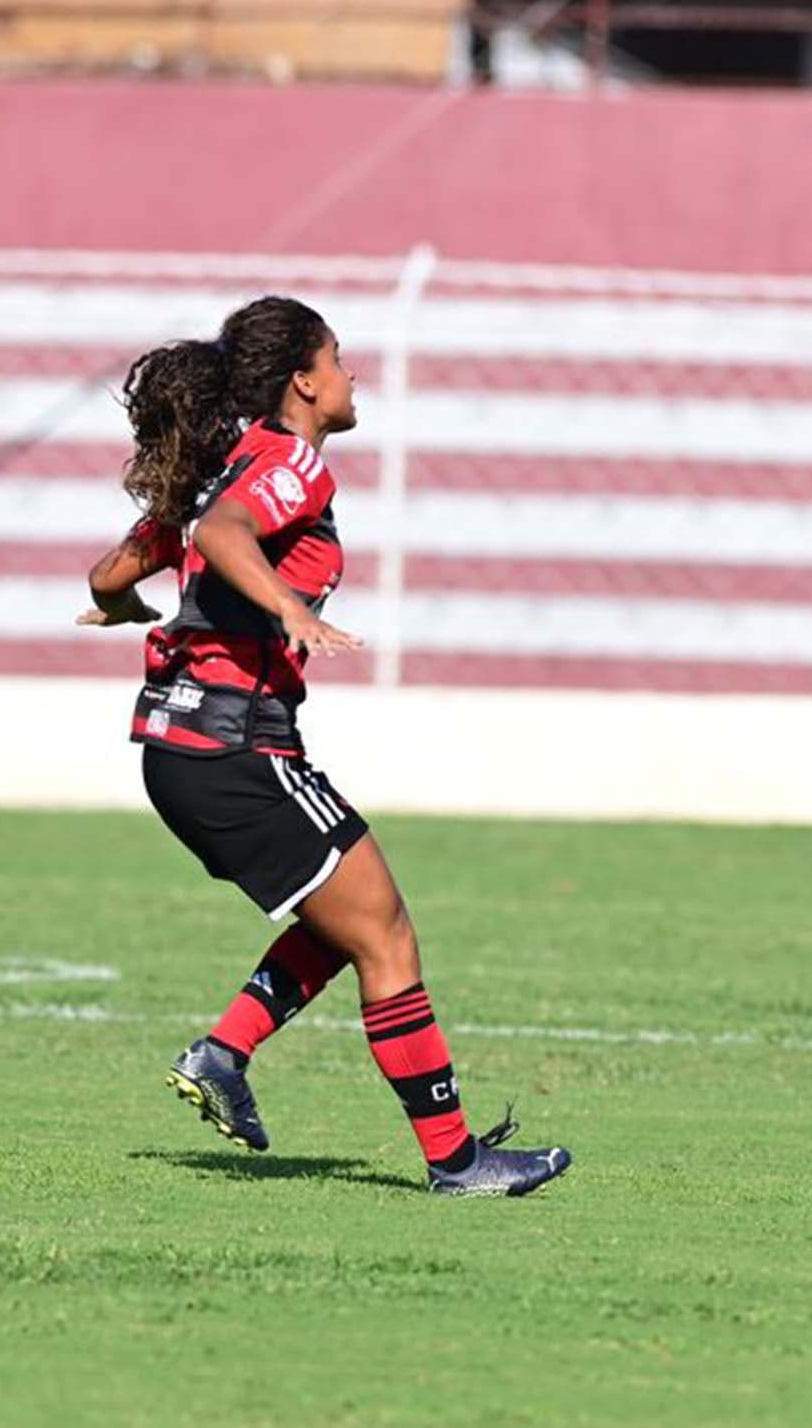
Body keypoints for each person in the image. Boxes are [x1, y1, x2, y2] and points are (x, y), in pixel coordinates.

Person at [80, 295, 572, 1198]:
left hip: (181, 746)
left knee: (348, 918)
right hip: (235, 745)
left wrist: (122, 607)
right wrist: (289, 607)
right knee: (386, 934)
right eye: (338, 359)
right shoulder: (291, 463)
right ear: (304, 383)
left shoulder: (224, 464)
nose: (352, 376)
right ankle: (457, 1161)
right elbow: (222, 535)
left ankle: (224, 1052)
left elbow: (111, 572)